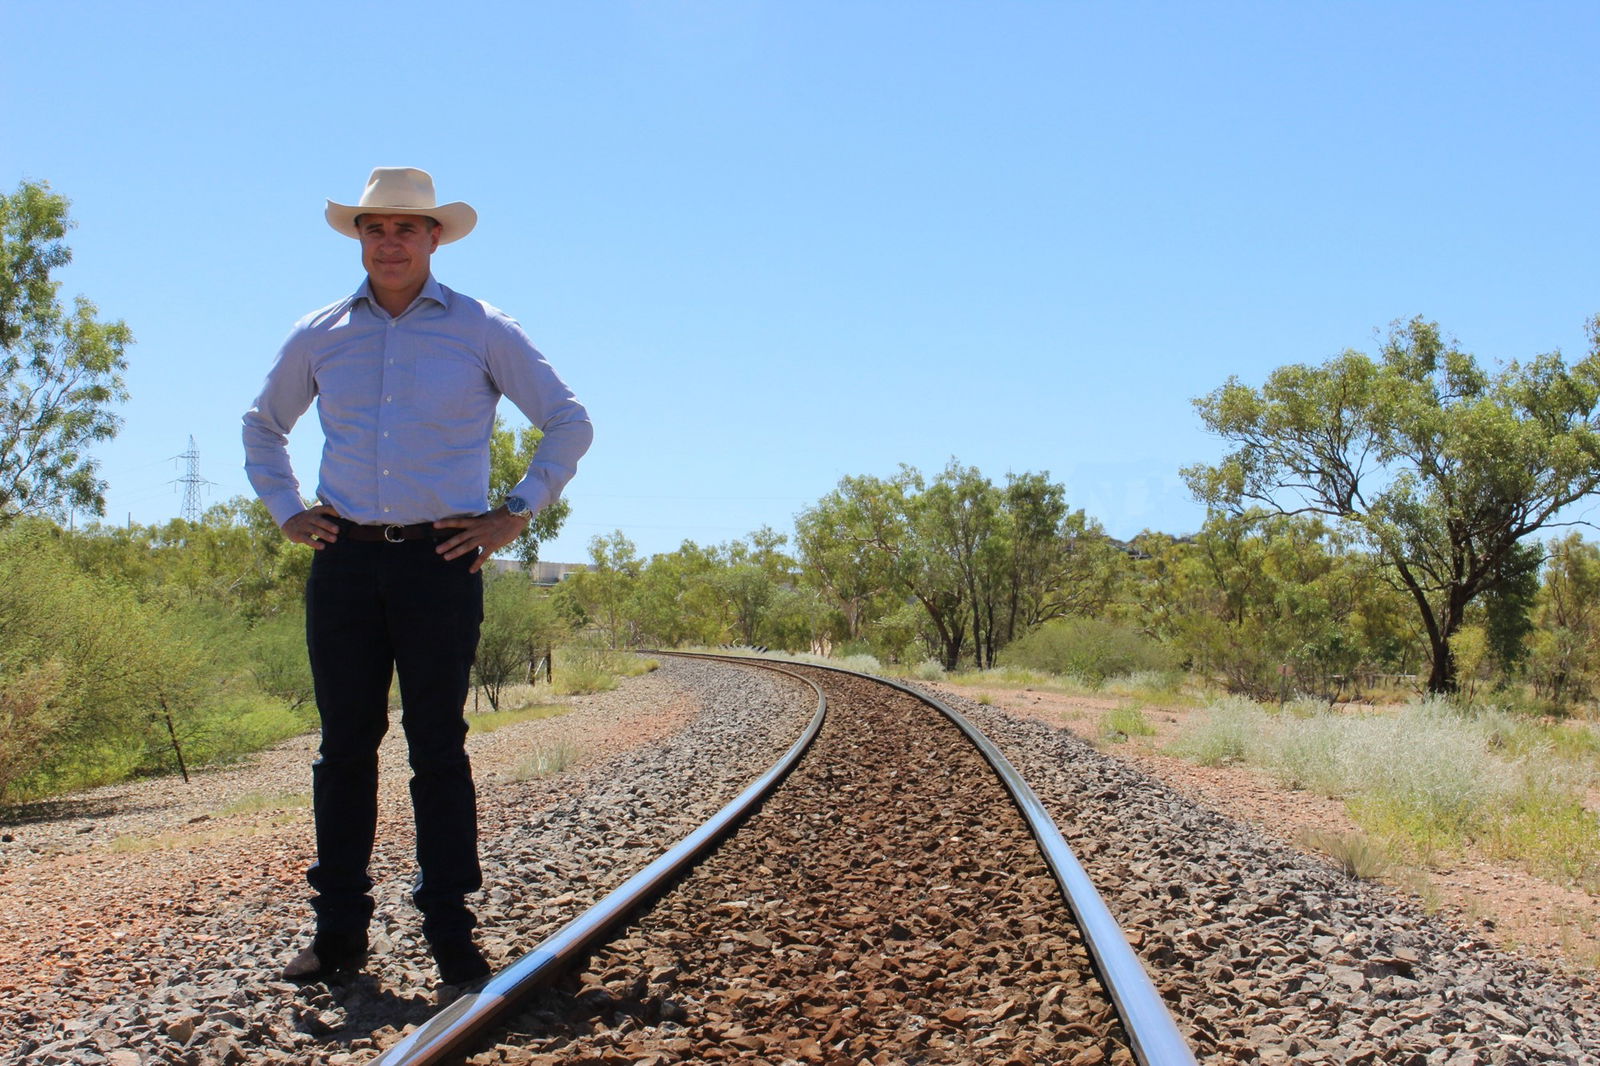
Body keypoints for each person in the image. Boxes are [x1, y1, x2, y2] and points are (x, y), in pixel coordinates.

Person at [242, 167, 593, 987]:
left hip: (442, 560)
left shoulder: (480, 328)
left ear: (435, 238)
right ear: (358, 238)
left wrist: (514, 511)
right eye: (375, 228)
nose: (390, 242)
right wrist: (287, 510)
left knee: (438, 747)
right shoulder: (320, 332)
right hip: (345, 559)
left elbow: (568, 421)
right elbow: (263, 425)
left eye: (406, 228)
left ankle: (451, 934)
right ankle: (337, 936)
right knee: (343, 749)